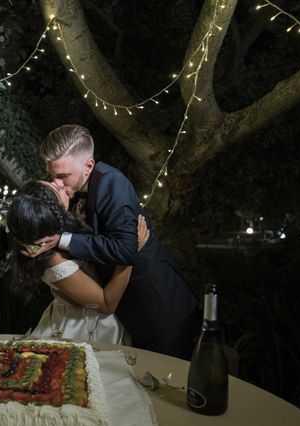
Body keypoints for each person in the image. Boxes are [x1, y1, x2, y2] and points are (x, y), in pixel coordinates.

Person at [31, 124, 199, 359]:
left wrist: (62, 239)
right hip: (133, 312)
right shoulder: (85, 187)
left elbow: (126, 250)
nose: (57, 184)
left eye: (63, 176)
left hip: (160, 311)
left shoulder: (112, 184)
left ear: (88, 165)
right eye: (52, 176)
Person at [7, 181, 149, 344]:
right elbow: (106, 305)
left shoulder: (60, 232)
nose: (59, 183)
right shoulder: (54, 262)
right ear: (52, 212)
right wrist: (129, 254)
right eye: (55, 189)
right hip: (84, 329)